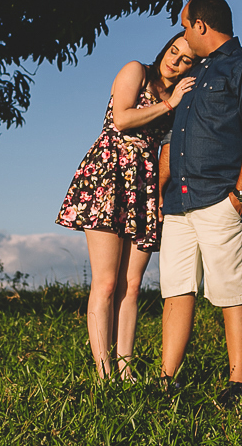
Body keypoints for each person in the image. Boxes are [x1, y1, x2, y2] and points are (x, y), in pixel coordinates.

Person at [157, 0, 242, 408]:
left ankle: (238, 383)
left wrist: (240, 194)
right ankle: (165, 381)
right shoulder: (193, 77)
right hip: (178, 203)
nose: (184, 33)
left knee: (229, 290)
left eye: (186, 25)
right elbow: (174, 138)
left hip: (219, 199)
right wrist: (159, 193)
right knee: (175, 289)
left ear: (202, 26)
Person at [55, 33, 197, 380]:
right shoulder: (137, 71)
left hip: (144, 186)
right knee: (105, 283)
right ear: (164, 47)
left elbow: (167, 147)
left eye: (185, 59)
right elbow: (121, 119)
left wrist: (162, 193)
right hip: (109, 175)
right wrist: (168, 105)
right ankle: (103, 374)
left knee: (131, 285)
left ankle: (125, 370)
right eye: (173, 51)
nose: (174, 61)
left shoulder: (177, 95)